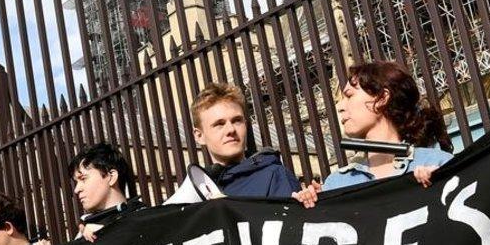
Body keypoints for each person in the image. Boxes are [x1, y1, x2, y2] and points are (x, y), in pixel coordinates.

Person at [293, 61, 454, 208]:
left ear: (383, 97)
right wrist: (307, 205)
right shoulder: (337, 184)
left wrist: (445, 183)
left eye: (349, 95)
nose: (340, 106)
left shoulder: (435, 162)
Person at [190, 83, 300, 198]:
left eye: (237, 121)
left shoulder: (274, 176)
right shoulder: (196, 192)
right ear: (199, 136)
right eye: (219, 124)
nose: (231, 129)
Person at [68, 142, 146, 242]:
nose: (76, 189)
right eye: (76, 182)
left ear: (111, 177)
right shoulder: (85, 228)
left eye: (83, 179)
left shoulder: (147, 218)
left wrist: (109, 234)